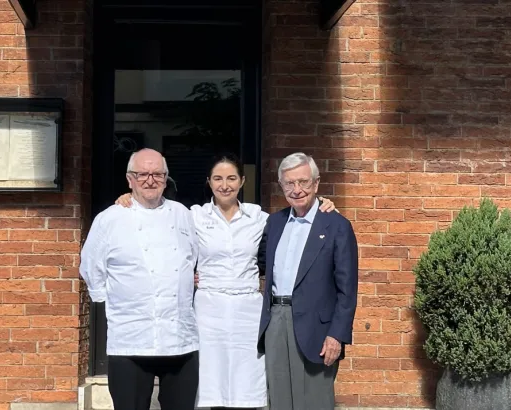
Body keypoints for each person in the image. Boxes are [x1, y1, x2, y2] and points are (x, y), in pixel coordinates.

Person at [114, 153, 338, 410]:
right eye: (218, 178)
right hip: (208, 311)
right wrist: (128, 198)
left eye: (231, 178)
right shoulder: (193, 216)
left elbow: (297, 223)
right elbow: (159, 221)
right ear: (209, 182)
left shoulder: (259, 217)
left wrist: (325, 205)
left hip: (248, 311)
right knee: (212, 383)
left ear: (242, 181)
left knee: (247, 383)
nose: (225, 184)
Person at [80, 148, 199, 410]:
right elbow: (90, 266)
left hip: (179, 339)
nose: (150, 180)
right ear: (129, 179)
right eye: (142, 174)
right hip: (130, 340)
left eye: (157, 174)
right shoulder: (110, 219)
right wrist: (108, 299)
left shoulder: (182, 214)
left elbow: (194, 257)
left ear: (166, 178)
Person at [257, 152, 358, 410]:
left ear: (316, 183)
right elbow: (258, 265)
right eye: (289, 183)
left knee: (314, 401)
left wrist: (337, 334)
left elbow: (347, 289)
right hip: (276, 321)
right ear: (281, 186)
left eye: (303, 182)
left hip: (318, 328)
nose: (297, 189)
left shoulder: (336, 225)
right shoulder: (274, 222)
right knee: (279, 399)